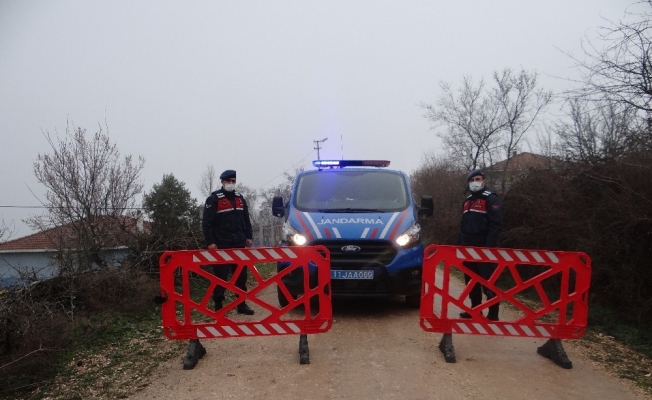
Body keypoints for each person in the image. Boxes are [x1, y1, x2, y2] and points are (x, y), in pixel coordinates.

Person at [202, 169, 254, 315]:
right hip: (221, 245)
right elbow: (207, 223)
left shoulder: (240, 198)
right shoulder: (213, 199)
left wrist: (248, 236)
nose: (231, 184)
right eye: (228, 181)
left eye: (233, 181)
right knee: (221, 278)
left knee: (241, 277)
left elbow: (246, 219)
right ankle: (218, 306)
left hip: (239, 243)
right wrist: (210, 242)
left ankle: (241, 304)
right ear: (222, 182)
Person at [458, 169, 504, 321]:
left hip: (485, 248)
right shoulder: (468, 201)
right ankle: (475, 310)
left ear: (483, 181)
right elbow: (463, 226)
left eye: (477, 179)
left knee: (488, 282)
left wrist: (488, 247)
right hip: (468, 249)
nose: (474, 182)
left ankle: (493, 313)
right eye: (472, 180)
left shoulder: (491, 199)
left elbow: (496, 225)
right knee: (471, 282)